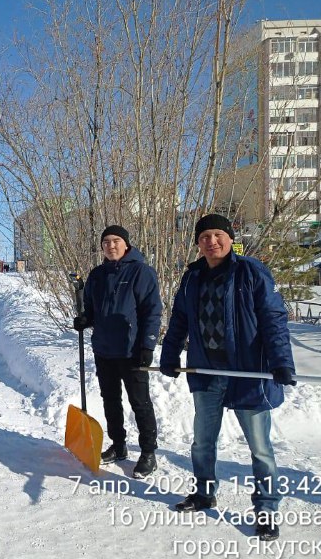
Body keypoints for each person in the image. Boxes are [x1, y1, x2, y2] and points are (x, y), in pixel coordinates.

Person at [159, 214, 295, 541]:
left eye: (218, 234)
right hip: (207, 372)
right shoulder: (192, 278)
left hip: (247, 372)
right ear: (198, 242)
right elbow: (179, 319)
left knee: (260, 449)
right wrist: (169, 353)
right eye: (205, 236)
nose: (212, 241)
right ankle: (204, 492)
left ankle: (266, 508)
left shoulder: (251, 272)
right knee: (202, 441)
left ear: (230, 238)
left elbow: (273, 319)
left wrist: (281, 361)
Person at [73, 225, 162, 478]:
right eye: (106, 242)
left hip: (131, 350)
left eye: (116, 241)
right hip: (104, 349)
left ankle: (148, 452)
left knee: (139, 401)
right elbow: (90, 309)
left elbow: (152, 311)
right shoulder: (97, 275)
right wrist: (84, 320)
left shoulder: (141, 272)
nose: (111, 246)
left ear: (126, 245)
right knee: (110, 399)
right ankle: (119, 444)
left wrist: (148, 344)